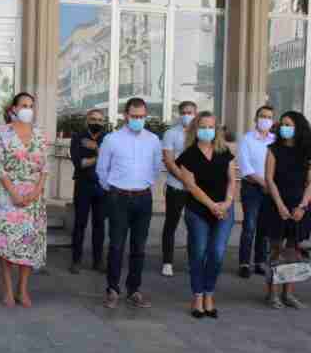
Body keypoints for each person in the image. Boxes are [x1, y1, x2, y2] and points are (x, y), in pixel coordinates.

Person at [97, 97, 162, 309]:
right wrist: (115, 189)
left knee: (139, 247)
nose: (138, 120)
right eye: (134, 116)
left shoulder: (153, 139)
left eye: (142, 117)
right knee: (116, 245)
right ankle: (112, 290)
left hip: (143, 197)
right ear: (126, 116)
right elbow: (101, 169)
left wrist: (143, 185)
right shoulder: (112, 139)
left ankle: (134, 289)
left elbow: (155, 167)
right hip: (118, 197)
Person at [0, 92, 48, 307]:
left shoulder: (40, 134)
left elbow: (44, 167)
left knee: (28, 244)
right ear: (14, 108)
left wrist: (36, 191)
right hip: (7, 195)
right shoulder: (3, 133)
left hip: (33, 198)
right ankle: (7, 289)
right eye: (23, 105)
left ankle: (23, 289)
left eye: (31, 105)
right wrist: (13, 192)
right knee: (7, 243)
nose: (27, 109)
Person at [175, 112, 236, 319]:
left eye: (211, 127)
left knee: (217, 253)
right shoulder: (188, 156)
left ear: (216, 130)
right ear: (195, 129)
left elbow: (232, 180)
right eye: (203, 126)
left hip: (224, 209)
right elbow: (191, 187)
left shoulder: (223, 150)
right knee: (198, 253)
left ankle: (209, 293)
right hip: (198, 210)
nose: (207, 130)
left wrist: (226, 203)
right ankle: (198, 296)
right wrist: (212, 205)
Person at [264, 111, 311, 309]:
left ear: (298, 127)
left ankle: (288, 294)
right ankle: (272, 293)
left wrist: (302, 206)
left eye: (289, 124)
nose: (284, 128)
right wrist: (280, 205)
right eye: (282, 124)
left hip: (299, 205)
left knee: (293, 250)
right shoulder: (273, 149)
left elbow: (310, 183)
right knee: (276, 249)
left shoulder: (307, 151)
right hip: (276, 204)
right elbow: (269, 179)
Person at [160, 101, 198, 277]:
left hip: (196, 190)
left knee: (195, 226)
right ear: (179, 113)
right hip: (176, 187)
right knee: (171, 224)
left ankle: (193, 261)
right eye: (184, 112)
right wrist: (185, 179)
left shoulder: (202, 133)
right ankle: (167, 262)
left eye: (190, 112)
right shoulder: (171, 133)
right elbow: (168, 161)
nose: (187, 115)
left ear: (196, 113)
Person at [237, 106, 275, 278]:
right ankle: (244, 263)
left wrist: (270, 185)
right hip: (251, 188)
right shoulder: (246, 139)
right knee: (250, 226)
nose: (265, 119)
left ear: (273, 121)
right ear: (255, 118)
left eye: (268, 117)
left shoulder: (275, 140)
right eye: (262, 116)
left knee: (264, 227)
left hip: (270, 189)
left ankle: (260, 262)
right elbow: (246, 168)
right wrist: (264, 183)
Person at [68, 109, 108, 274]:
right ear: (87, 120)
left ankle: (97, 261)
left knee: (99, 226)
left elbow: (112, 162)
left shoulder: (108, 138)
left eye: (99, 120)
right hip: (83, 185)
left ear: (103, 122)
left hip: (102, 186)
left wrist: (96, 149)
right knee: (80, 224)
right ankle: (76, 261)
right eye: (93, 119)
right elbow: (79, 163)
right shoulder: (78, 137)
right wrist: (100, 155)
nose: (96, 122)